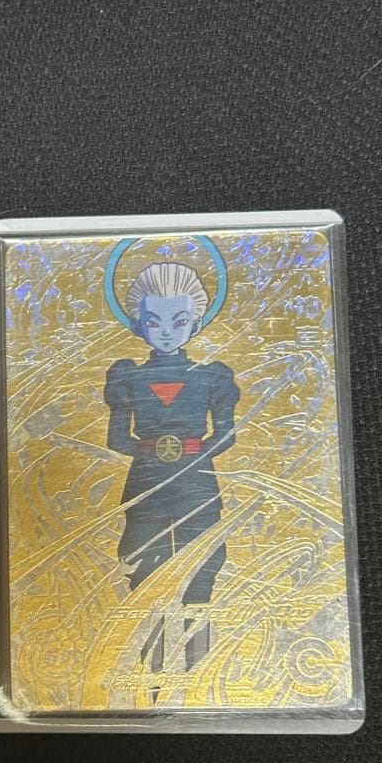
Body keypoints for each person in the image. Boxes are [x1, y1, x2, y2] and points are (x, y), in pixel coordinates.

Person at [104, 261, 240, 670]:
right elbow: (115, 438)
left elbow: (227, 434)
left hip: (195, 483)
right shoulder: (128, 377)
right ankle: (151, 665)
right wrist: (163, 452)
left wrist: (186, 453)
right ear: (138, 325)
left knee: (202, 563)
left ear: (195, 324)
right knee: (144, 562)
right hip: (150, 483)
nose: (166, 331)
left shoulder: (211, 377)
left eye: (179, 321)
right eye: (154, 321)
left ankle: (196, 666)